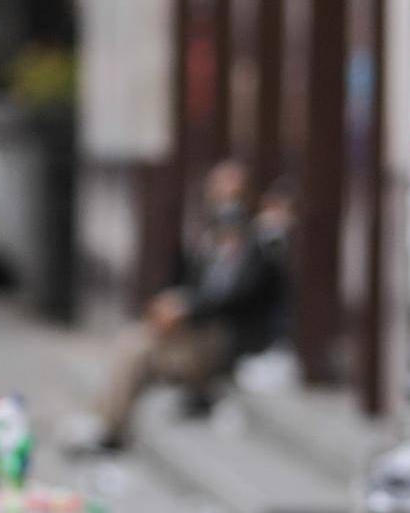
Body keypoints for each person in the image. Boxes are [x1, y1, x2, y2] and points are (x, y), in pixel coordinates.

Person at [88, 157, 288, 450]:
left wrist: (190, 310)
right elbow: (183, 282)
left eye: (233, 193)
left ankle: (110, 428)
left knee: (138, 352)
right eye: (219, 192)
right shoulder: (207, 241)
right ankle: (106, 424)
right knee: (133, 342)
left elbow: (241, 297)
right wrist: (172, 305)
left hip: (227, 339)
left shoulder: (258, 244)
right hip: (193, 334)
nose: (225, 201)